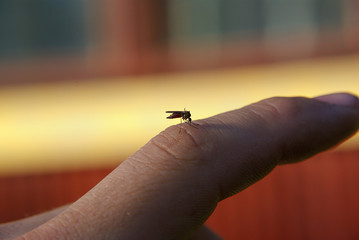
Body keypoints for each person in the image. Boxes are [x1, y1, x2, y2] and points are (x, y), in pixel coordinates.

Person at [0, 92, 358, 240]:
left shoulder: (187, 125)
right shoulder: (185, 127)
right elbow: (186, 126)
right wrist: (187, 138)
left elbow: (187, 124)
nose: (184, 120)